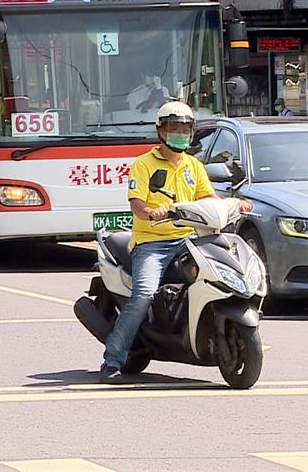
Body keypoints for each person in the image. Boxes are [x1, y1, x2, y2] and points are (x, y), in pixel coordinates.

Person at [99, 101, 252, 383]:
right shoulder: (144, 164)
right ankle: (113, 359)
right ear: (161, 131)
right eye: (174, 129)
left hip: (189, 239)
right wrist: (151, 211)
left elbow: (208, 198)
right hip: (152, 244)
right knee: (144, 294)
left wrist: (234, 204)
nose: (180, 134)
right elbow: (136, 204)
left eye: (185, 129)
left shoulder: (194, 165)